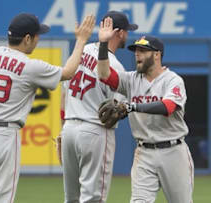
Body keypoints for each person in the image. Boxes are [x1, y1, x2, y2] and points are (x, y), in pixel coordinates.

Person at [0, 13, 95, 203]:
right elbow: (69, 72)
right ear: (27, 38)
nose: (38, 40)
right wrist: (81, 40)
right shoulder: (29, 66)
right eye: (37, 36)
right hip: (4, 136)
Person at [97, 17, 194, 203]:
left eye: (142, 51)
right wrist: (103, 44)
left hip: (173, 151)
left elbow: (168, 107)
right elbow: (104, 74)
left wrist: (132, 106)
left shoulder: (172, 80)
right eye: (135, 51)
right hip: (144, 153)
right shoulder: (131, 79)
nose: (137, 55)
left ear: (157, 55)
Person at [60, 11, 137, 203]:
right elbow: (116, 110)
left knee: (71, 198)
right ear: (118, 33)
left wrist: (62, 129)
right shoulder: (116, 66)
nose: (127, 36)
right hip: (94, 131)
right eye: (126, 31)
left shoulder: (81, 50)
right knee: (93, 198)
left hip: (69, 128)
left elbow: (64, 92)